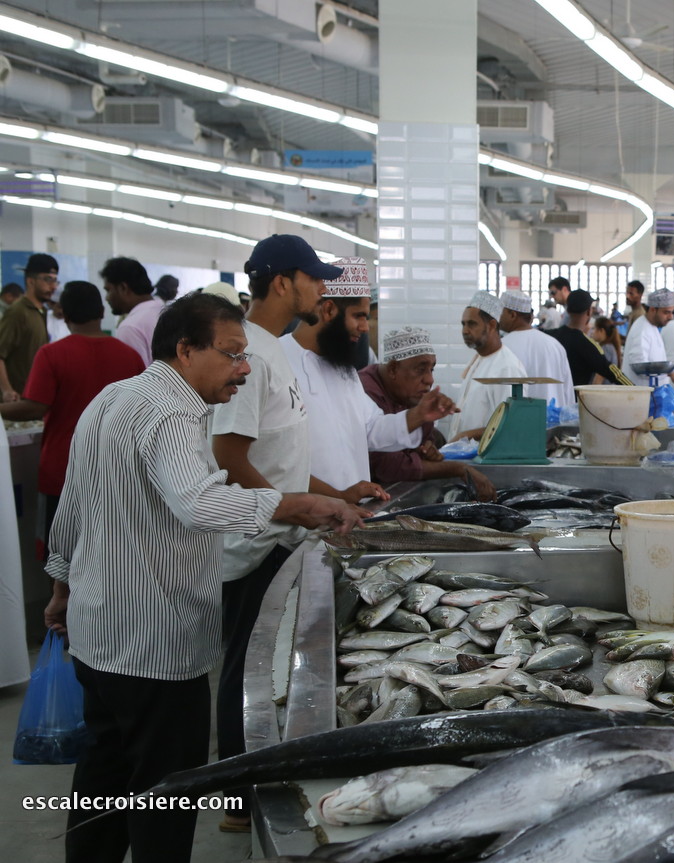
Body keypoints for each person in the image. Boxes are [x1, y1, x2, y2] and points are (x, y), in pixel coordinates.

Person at [44, 292, 365, 863]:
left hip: (96, 631)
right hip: (153, 641)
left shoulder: (113, 398)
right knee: (166, 792)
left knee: (103, 774)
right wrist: (291, 505)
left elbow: (72, 503)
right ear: (186, 350)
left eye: (244, 355)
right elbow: (199, 504)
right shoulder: (169, 414)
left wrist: (62, 588)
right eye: (231, 354)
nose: (243, 368)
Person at [209, 237, 379, 832]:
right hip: (253, 539)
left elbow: (278, 456)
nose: (321, 290)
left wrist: (328, 495)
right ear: (284, 282)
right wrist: (286, 507)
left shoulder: (275, 351)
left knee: (265, 665)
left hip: (281, 529)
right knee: (245, 669)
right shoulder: (244, 352)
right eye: (315, 279)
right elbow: (228, 453)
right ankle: (233, 797)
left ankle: (253, 778)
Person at [282, 257, 454, 490]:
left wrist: (419, 414)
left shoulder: (344, 372)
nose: (365, 328)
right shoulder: (279, 361)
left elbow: (372, 428)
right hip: (299, 520)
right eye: (359, 316)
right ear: (329, 309)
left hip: (347, 517)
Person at [0, 281, 143, 544]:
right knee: (110, 551)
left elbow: (35, 406)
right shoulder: (130, 357)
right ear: (102, 312)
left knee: (59, 557)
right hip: (117, 472)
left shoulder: (52, 355)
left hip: (62, 472)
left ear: (63, 313)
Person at [360, 326, 496, 498]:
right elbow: (388, 465)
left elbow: (422, 439)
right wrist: (459, 468)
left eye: (431, 369)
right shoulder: (366, 392)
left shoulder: (404, 393)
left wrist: (425, 449)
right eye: (420, 369)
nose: (430, 379)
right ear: (393, 369)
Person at [450, 291, 527, 441]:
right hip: (465, 455)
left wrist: (464, 436)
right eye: (463, 324)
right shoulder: (478, 359)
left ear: (492, 325)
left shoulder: (507, 368)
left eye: (472, 324)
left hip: (485, 460)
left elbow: (508, 424)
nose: (465, 330)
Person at [498, 290, 575, 409]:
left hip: (517, 423)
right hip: (555, 423)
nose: (498, 318)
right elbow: (568, 391)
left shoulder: (502, 347)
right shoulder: (554, 344)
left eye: (501, 313)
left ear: (512, 315)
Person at [0, 253, 55, 401]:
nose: (53, 286)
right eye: (48, 280)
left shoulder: (41, 311)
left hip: (35, 397)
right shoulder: (18, 312)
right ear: (31, 281)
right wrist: (7, 390)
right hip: (17, 401)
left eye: (55, 281)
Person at [549, 290, 634, 387]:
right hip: (575, 400)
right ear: (589, 312)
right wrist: (635, 388)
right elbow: (612, 372)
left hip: (552, 398)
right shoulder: (588, 345)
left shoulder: (551, 336)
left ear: (567, 311)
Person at [101, 256, 163, 367]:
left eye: (108, 290)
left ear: (123, 288)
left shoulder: (131, 327)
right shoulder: (167, 310)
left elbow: (134, 380)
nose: (107, 298)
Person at [621, 288, 674, 389]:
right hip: (641, 394)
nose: (671, 317)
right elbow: (640, 365)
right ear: (653, 309)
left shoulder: (652, 326)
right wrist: (667, 371)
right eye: (666, 312)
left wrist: (670, 372)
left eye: (672, 312)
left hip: (651, 393)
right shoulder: (641, 330)